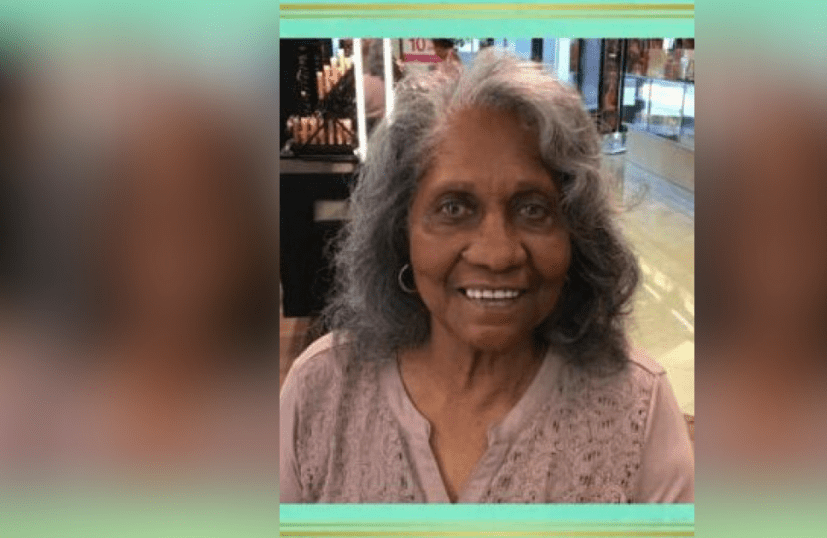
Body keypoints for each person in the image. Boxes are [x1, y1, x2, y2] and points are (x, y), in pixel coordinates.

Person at [280, 50, 694, 503]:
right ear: (401, 231)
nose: (498, 255)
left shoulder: (637, 410)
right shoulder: (321, 393)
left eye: (534, 209)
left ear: (577, 234)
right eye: (453, 207)